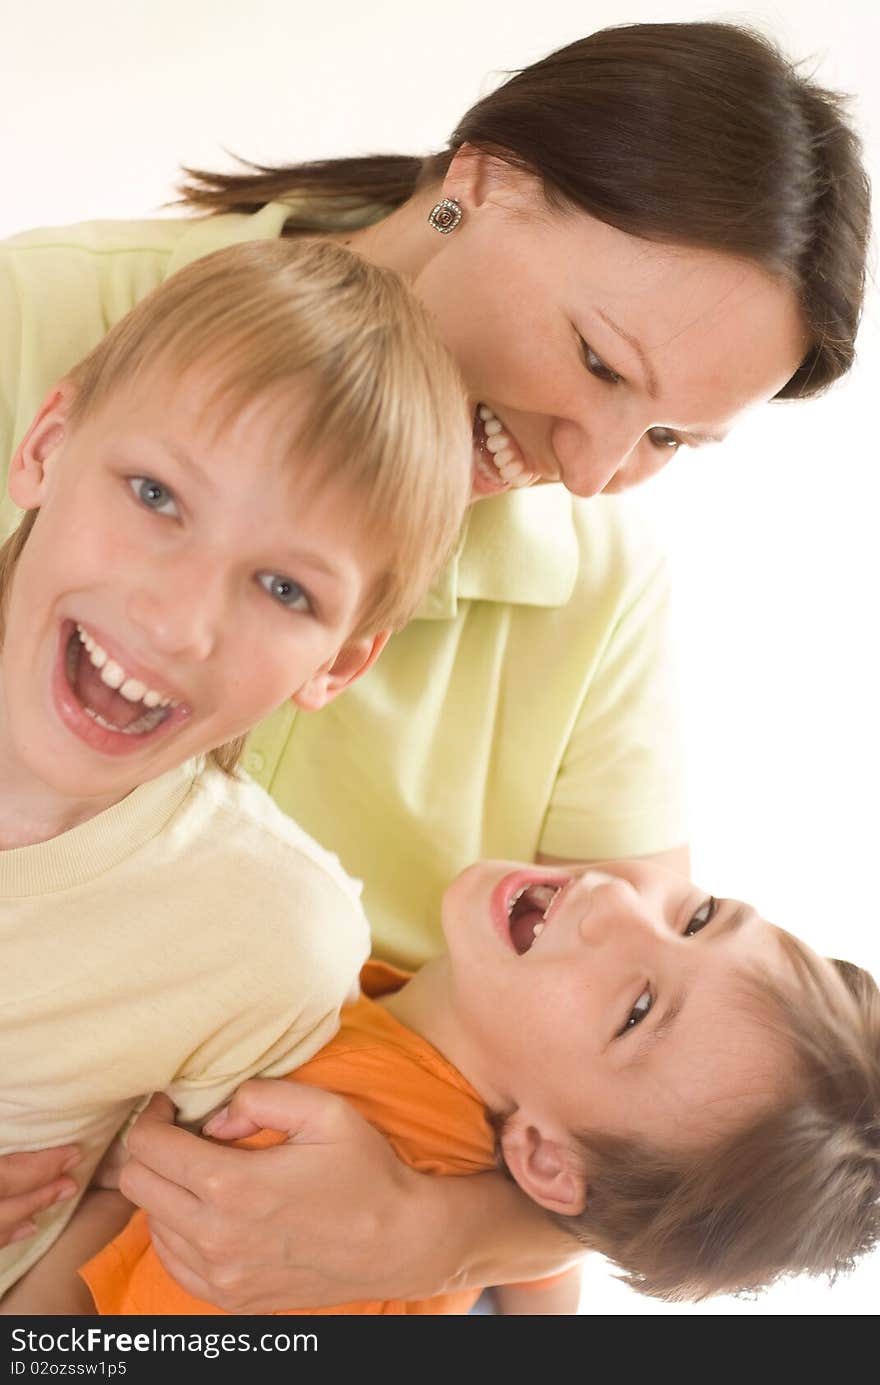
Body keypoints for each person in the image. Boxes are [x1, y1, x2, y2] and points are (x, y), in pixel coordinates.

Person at [0, 20, 871, 1309]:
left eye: (670, 436)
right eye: (595, 362)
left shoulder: (595, 583)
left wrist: (433, 1232)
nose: (587, 469)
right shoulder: (50, 318)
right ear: (480, 181)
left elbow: (654, 1134)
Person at [0, 236, 471, 1299]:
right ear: (45, 445)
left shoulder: (265, 933)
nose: (180, 618)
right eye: (157, 495)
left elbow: (135, 1217)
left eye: (284, 588)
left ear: (341, 662)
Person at [5, 858, 879, 1315]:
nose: (616, 897)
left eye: (639, 1007)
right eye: (698, 915)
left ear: (540, 1154)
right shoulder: (456, 1094)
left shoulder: (302, 1142)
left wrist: (103, 1178)